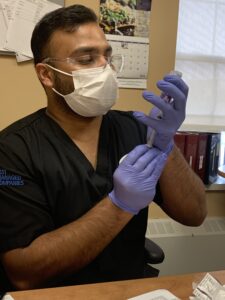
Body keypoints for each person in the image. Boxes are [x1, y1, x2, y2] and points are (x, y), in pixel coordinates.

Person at [0, 4, 206, 291]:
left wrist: (166, 145)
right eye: (86, 59)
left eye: (107, 57)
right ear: (46, 74)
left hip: (129, 290)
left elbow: (195, 214)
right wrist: (119, 205)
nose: (104, 69)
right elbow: (24, 272)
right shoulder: (13, 150)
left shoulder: (136, 128)